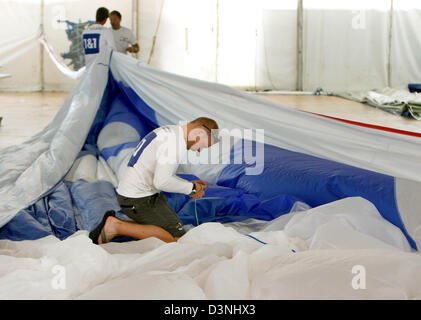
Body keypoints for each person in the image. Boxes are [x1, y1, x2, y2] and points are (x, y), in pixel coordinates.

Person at [89, 117, 219, 244]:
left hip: (139, 195)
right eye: (203, 146)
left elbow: (163, 175)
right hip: (138, 200)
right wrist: (192, 189)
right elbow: (162, 182)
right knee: (177, 240)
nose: (199, 150)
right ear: (198, 133)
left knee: (173, 230)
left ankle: (115, 223)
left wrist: (190, 185)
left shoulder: (170, 132)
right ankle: (116, 227)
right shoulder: (174, 143)